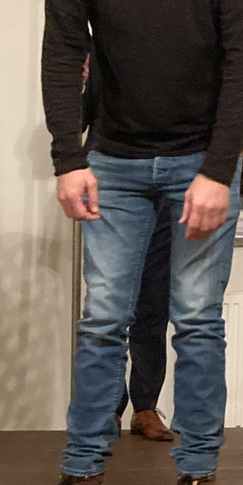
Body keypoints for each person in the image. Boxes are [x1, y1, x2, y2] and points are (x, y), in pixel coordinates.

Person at [42, 0, 243, 485]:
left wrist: (217, 170)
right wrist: (67, 158)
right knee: (102, 320)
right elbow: (63, 48)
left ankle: (197, 476)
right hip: (113, 159)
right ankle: (84, 472)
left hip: (202, 158)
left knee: (197, 321)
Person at [83, 53, 175, 443]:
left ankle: (145, 406)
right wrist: (78, 86)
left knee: (154, 304)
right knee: (107, 305)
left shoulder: (178, 53)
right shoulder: (100, 50)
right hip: (113, 183)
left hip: (168, 184)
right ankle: (107, 408)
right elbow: (78, 119)